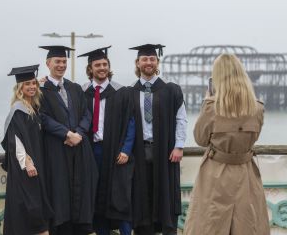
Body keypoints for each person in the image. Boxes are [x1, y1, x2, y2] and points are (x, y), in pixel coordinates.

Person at [183, 54, 270, 235]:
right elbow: (255, 137)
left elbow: (200, 138)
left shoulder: (212, 106)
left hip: (216, 171)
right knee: (247, 224)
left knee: (210, 225)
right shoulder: (257, 107)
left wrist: (207, 101)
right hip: (246, 172)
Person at [39, 46, 98, 235]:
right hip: (56, 148)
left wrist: (79, 133)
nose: (61, 65)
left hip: (79, 149)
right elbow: (42, 117)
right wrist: (66, 134)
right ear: (48, 63)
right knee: (60, 191)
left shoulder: (74, 87)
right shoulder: (41, 89)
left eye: (64, 62)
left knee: (81, 190)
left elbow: (87, 113)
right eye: (57, 61)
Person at [129, 44, 188, 235]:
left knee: (166, 195)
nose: (148, 62)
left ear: (157, 62)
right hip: (138, 152)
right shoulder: (129, 93)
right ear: (138, 63)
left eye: (152, 59)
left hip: (165, 152)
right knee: (142, 196)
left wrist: (179, 146)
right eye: (144, 59)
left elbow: (181, 119)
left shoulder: (172, 90)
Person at [78, 46, 135, 235]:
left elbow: (131, 123)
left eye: (104, 64)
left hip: (115, 151)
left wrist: (126, 149)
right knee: (97, 196)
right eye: (97, 65)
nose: (101, 67)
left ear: (109, 67)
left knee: (120, 195)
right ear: (90, 68)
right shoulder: (82, 92)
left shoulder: (121, 92)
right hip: (91, 152)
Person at [1, 64, 54, 235]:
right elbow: (14, 140)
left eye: (34, 83)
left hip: (36, 166)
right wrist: (27, 163)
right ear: (19, 88)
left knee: (36, 206)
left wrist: (41, 82)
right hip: (26, 170)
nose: (31, 87)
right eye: (27, 84)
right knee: (30, 206)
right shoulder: (18, 110)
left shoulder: (32, 108)